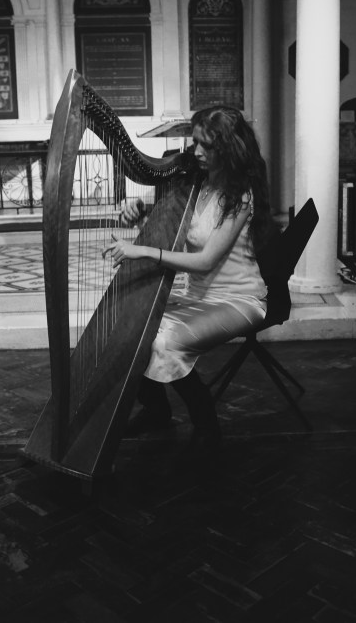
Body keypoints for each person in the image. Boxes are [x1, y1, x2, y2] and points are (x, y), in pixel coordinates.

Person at [102, 106, 274, 454]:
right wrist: (140, 220)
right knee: (127, 323)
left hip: (239, 300)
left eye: (207, 145)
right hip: (198, 295)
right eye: (195, 142)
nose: (196, 152)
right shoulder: (196, 184)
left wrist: (142, 251)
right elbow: (176, 238)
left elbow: (205, 261)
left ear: (229, 148)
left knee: (164, 342)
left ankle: (206, 424)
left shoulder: (240, 196)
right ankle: (157, 410)